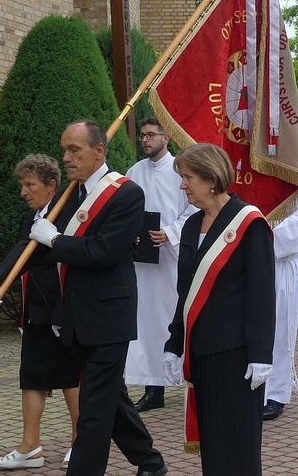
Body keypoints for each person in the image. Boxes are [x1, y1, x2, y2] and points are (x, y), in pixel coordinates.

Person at [28, 120, 167, 476]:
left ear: (98, 151)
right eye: (64, 150)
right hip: (75, 316)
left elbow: (101, 251)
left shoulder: (126, 194)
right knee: (111, 398)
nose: (67, 158)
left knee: (93, 409)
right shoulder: (69, 193)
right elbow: (30, 243)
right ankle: (150, 463)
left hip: (109, 318)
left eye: (74, 150)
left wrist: (56, 241)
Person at [163, 143, 276, 475]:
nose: (183, 185)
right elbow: (186, 292)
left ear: (211, 179)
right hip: (201, 353)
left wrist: (260, 354)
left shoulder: (249, 224)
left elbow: (262, 294)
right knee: (212, 444)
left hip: (237, 355)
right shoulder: (189, 226)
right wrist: (174, 343)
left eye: (188, 177)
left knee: (238, 443)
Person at [0, 154, 79, 470]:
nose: (24, 192)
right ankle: (30, 447)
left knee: (71, 377)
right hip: (35, 310)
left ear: (51, 186)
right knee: (31, 376)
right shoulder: (32, 219)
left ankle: (79, 441)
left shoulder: (67, 214)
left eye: (30, 185)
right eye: (23, 185)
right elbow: (19, 255)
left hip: (62, 309)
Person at [124, 118, 196, 412]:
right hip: (142, 262)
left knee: (170, 318)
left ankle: (181, 376)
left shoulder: (180, 170)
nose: (145, 140)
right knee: (145, 322)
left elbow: (193, 208)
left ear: (166, 137)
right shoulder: (134, 172)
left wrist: (171, 232)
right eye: (142, 135)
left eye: (151, 135)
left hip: (170, 259)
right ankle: (153, 388)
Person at [264, 195, 298, 421]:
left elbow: (294, 231)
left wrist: (254, 238)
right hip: (248, 265)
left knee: (280, 331)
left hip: (280, 266)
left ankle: (276, 393)